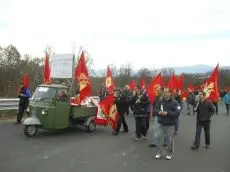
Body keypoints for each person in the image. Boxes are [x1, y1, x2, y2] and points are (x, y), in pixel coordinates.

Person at [153, 88, 181, 160]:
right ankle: (159, 152)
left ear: (170, 93)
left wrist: (168, 113)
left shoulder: (175, 102)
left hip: (170, 124)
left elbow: (177, 113)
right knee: (158, 138)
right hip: (161, 123)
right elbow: (155, 109)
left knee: (169, 140)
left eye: (166, 92)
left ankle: (168, 153)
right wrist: (159, 112)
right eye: (164, 92)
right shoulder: (160, 101)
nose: (164, 93)